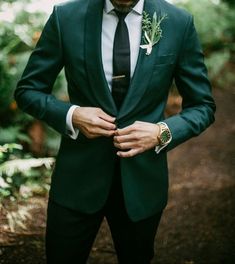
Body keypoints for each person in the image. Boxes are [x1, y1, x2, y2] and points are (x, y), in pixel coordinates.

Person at [15, 0, 216, 263]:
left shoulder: (178, 22)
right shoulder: (66, 17)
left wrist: (161, 132)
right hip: (77, 180)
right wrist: (72, 115)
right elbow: (28, 90)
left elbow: (202, 106)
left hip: (142, 184)